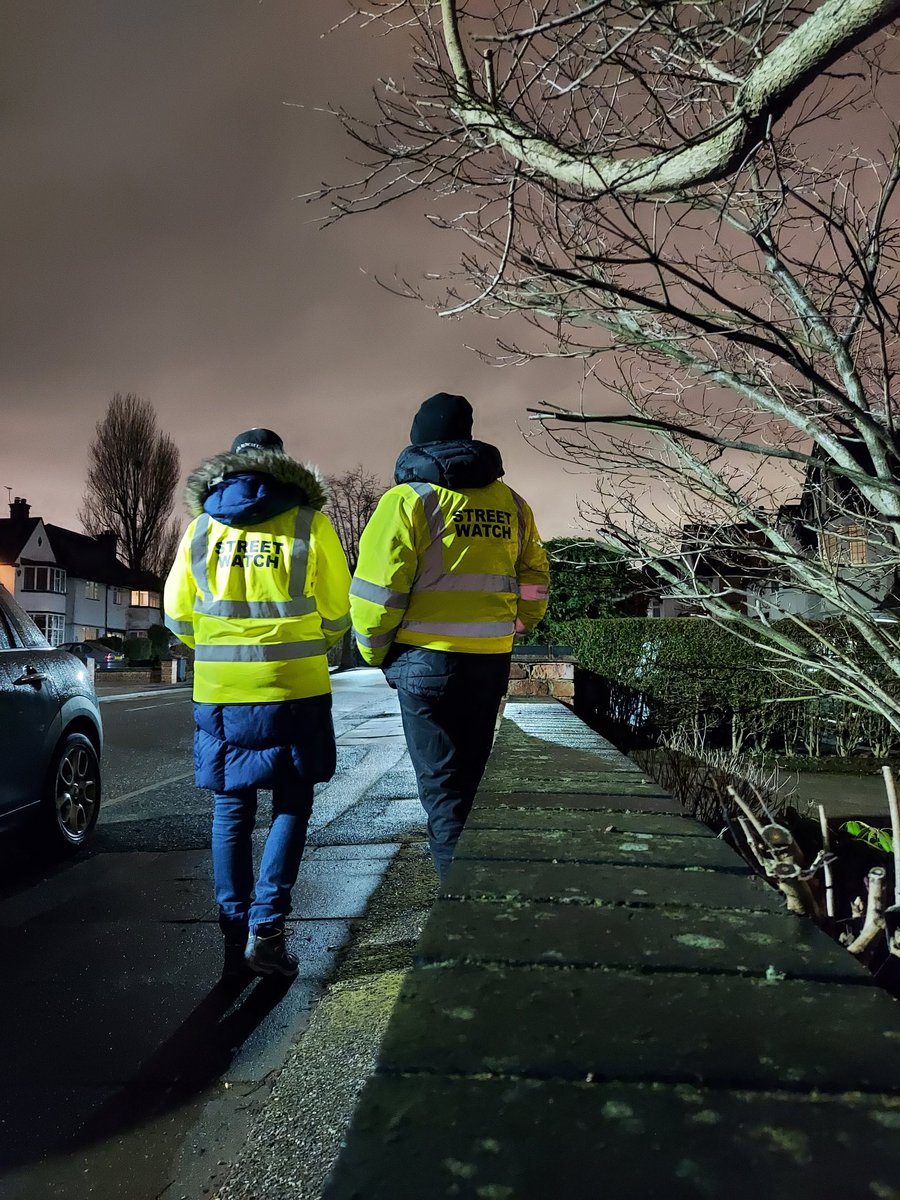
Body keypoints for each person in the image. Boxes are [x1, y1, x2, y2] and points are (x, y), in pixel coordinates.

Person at [164, 428, 351, 979]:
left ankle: (232, 924)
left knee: (231, 807)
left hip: (221, 690)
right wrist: (312, 640)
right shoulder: (307, 522)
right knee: (292, 801)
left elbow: (176, 613)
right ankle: (266, 928)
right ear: (282, 467)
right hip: (295, 685)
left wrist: (216, 648)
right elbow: (339, 610)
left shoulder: (201, 529)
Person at [350, 393, 549, 881]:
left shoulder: (408, 501)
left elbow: (378, 591)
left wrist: (376, 652)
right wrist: (516, 627)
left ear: (419, 438)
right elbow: (536, 577)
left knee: (443, 791)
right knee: (474, 781)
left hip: (425, 662)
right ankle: (475, 889)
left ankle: (458, 906)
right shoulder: (512, 503)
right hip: (488, 661)